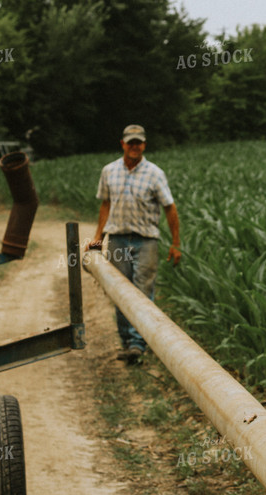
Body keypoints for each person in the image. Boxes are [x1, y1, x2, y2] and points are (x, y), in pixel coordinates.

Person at [88, 124, 181, 364]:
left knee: (142, 293)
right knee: (120, 290)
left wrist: (175, 243)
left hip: (146, 240)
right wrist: (99, 237)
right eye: (130, 142)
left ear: (144, 145)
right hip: (117, 238)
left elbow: (170, 208)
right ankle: (126, 343)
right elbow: (105, 204)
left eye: (138, 142)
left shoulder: (155, 173)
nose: (134, 146)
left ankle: (139, 345)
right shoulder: (109, 171)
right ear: (123, 144)